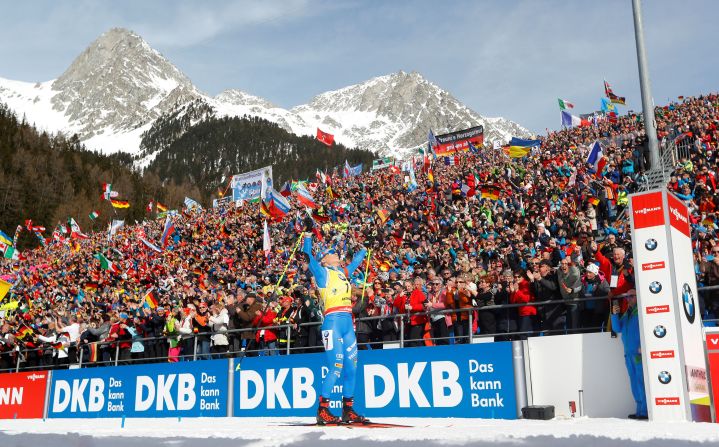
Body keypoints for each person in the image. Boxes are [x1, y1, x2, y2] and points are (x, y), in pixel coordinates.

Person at [302, 232, 368, 425]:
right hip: (332, 323)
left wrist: (364, 249)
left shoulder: (342, 272)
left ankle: (348, 410)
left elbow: (355, 263)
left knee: (352, 368)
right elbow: (307, 256)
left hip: (347, 322)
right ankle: (322, 410)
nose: (336, 254)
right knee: (336, 367)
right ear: (324, 259)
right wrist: (307, 235)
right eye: (332, 252)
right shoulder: (323, 273)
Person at [610, 289, 647, 420]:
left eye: (631, 296)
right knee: (634, 383)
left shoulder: (642, 311)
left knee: (641, 382)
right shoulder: (627, 313)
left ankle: (645, 411)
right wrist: (614, 314)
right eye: (627, 297)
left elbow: (647, 330)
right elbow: (617, 328)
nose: (628, 299)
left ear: (638, 297)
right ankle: (639, 410)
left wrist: (643, 346)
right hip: (628, 353)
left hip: (638, 353)